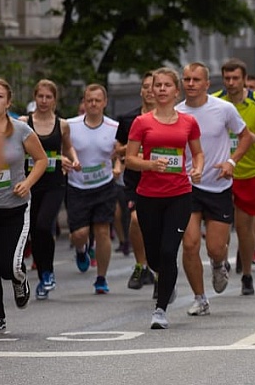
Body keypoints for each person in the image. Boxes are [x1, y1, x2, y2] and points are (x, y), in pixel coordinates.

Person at [125, 67, 204, 329]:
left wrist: (198, 167)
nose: (160, 89)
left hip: (179, 194)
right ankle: (166, 275)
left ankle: (160, 309)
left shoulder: (188, 122)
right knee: (154, 257)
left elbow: (198, 153)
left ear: (175, 90)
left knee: (170, 251)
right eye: (157, 85)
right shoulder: (142, 122)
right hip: (148, 196)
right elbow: (130, 159)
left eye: (166, 85)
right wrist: (149, 165)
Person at [177, 63, 254, 315]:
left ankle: (219, 264)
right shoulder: (176, 112)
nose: (190, 84)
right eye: (186, 79)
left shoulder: (223, 109)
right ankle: (200, 298)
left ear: (207, 84)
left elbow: (247, 136)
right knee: (189, 244)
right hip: (187, 186)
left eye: (196, 79)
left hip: (218, 185)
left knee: (214, 247)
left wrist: (232, 162)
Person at [213, 59, 255, 295]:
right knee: (219, 226)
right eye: (227, 78)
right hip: (219, 173)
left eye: (235, 78)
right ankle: (221, 260)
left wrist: (254, 140)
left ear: (244, 79)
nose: (231, 83)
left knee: (243, 227)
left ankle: (247, 273)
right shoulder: (216, 101)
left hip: (249, 172)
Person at [0, 78, 47, 330]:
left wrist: (28, 183)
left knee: (7, 265)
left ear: (8, 102)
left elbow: (41, 160)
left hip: (15, 208)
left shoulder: (20, 130)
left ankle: (18, 278)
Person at [65, 84, 121, 294]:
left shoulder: (114, 127)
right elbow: (61, 148)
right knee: (79, 234)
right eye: (90, 100)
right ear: (84, 103)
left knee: (102, 232)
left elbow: (120, 154)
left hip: (104, 185)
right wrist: (64, 159)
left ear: (105, 102)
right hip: (77, 185)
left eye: (98, 100)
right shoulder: (70, 125)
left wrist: (117, 166)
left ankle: (101, 278)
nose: (94, 104)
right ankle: (81, 250)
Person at [24, 80, 77, 300]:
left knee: (45, 224)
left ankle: (49, 273)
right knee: (34, 230)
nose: (44, 101)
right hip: (30, 182)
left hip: (55, 183)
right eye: (40, 97)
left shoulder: (62, 124)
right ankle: (44, 273)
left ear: (54, 100)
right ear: (35, 98)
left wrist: (73, 159)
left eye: (48, 97)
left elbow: (67, 146)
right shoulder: (24, 123)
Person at [116, 72, 158, 291]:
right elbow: (118, 148)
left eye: (154, 86)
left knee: (158, 228)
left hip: (161, 178)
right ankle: (141, 265)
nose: (150, 91)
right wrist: (132, 148)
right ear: (140, 91)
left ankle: (158, 270)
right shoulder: (128, 119)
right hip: (135, 179)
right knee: (135, 221)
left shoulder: (170, 118)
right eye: (146, 87)